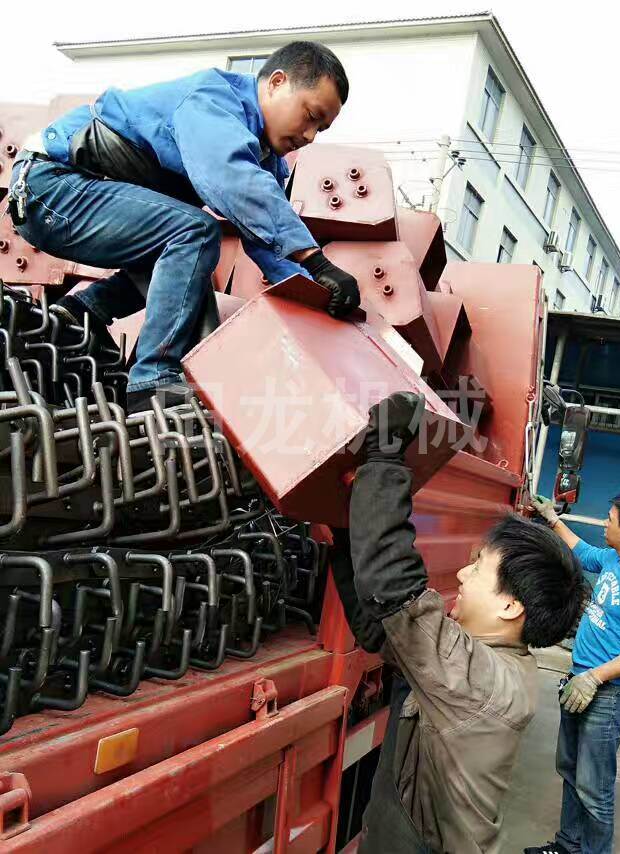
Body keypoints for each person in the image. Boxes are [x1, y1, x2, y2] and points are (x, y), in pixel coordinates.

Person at [6, 41, 360, 412]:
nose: (309, 136)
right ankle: (153, 380)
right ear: (276, 82)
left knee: (185, 269)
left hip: (81, 194)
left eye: (321, 128)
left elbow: (269, 242)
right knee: (195, 233)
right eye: (310, 115)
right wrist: (318, 261)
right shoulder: (211, 101)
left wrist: (317, 291)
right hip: (52, 188)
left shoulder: (267, 158)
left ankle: (84, 310)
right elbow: (233, 181)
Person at [331, 392, 585, 854]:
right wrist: (346, 534)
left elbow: (395, 589)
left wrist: (386, 451)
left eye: (478, 568)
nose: (462, 575)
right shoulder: (483, 660)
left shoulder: (480, 682)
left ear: (512, 607)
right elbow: (380, 630)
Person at [525, 493, 620, 854]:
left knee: (595, 788)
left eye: (609, 519)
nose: (604, 523)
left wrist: (595, 678)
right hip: (577, 681)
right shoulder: (611, 559)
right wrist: (551, 518)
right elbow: (581, 550)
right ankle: (568, 845)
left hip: (607, 694)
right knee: (571, 772)